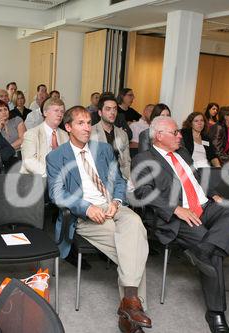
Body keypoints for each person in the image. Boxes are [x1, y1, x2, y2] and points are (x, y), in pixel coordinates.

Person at [131, 116, 229, 333]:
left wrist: (214, 195)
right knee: (214, 249)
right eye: (175, 132)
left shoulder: (183, 154)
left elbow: (196, 181)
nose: (179, 135)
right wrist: (175, 209)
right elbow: (143, 192)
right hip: (177, 216)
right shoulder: (144, 159)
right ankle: (216, 312)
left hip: (204, 207)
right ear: (159, 136)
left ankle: (203, 251)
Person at [46, 106, 151, 333]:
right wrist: (86, 207)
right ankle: (132, 316)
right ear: (68, 127)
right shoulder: (56, 156)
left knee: (135, 225)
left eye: (88, 122)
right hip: (85, 215)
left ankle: (129, 306)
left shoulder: (102, 149)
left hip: (112, 206)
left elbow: (120, 181)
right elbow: (57, 194)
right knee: (133, 247)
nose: (87, 127)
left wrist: (117, 202)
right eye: (80, 123)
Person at [20, 97, 68, 176]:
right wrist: (52, 175)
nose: (60, 114)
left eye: (62, 111)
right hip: (36, 181)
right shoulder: (32, 134)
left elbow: (68, 160)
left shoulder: (65, 135)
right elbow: (29, 161)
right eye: (56, 110)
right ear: (45, 113)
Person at [91, 95, 131, 180]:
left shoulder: (122, 134)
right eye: (108, 109)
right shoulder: (90, 133)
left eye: (115, 109)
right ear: (100, 113)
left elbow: (126, 161)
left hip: (120, 179)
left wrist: (127, 180)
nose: (112, 112)